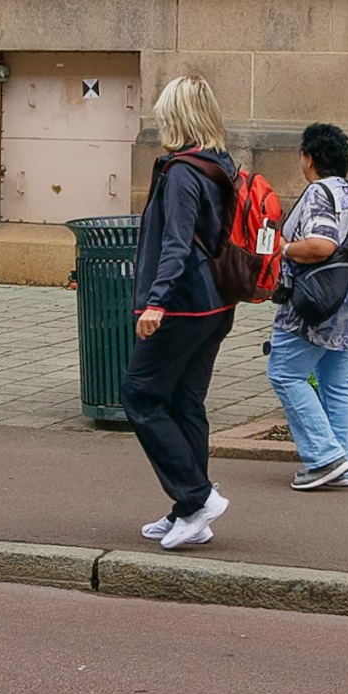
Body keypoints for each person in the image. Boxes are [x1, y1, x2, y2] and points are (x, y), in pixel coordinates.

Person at [123, 76, 243, 550]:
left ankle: (196, 498)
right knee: (185, 402)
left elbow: (175, 242)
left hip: (183, 304)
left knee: (139, 396)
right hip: (216, 301)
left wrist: (156, 301)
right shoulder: (221, 166)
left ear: (175, 117)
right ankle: (189, 513)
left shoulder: (180, 173)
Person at [264, 120, 348, 490]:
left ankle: (325, 458)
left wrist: (283, 249)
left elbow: (322, 245)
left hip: (317, 308)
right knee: (338, 384)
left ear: (308, 157)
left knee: (284, 373)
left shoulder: (318, 193)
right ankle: (345, 463)